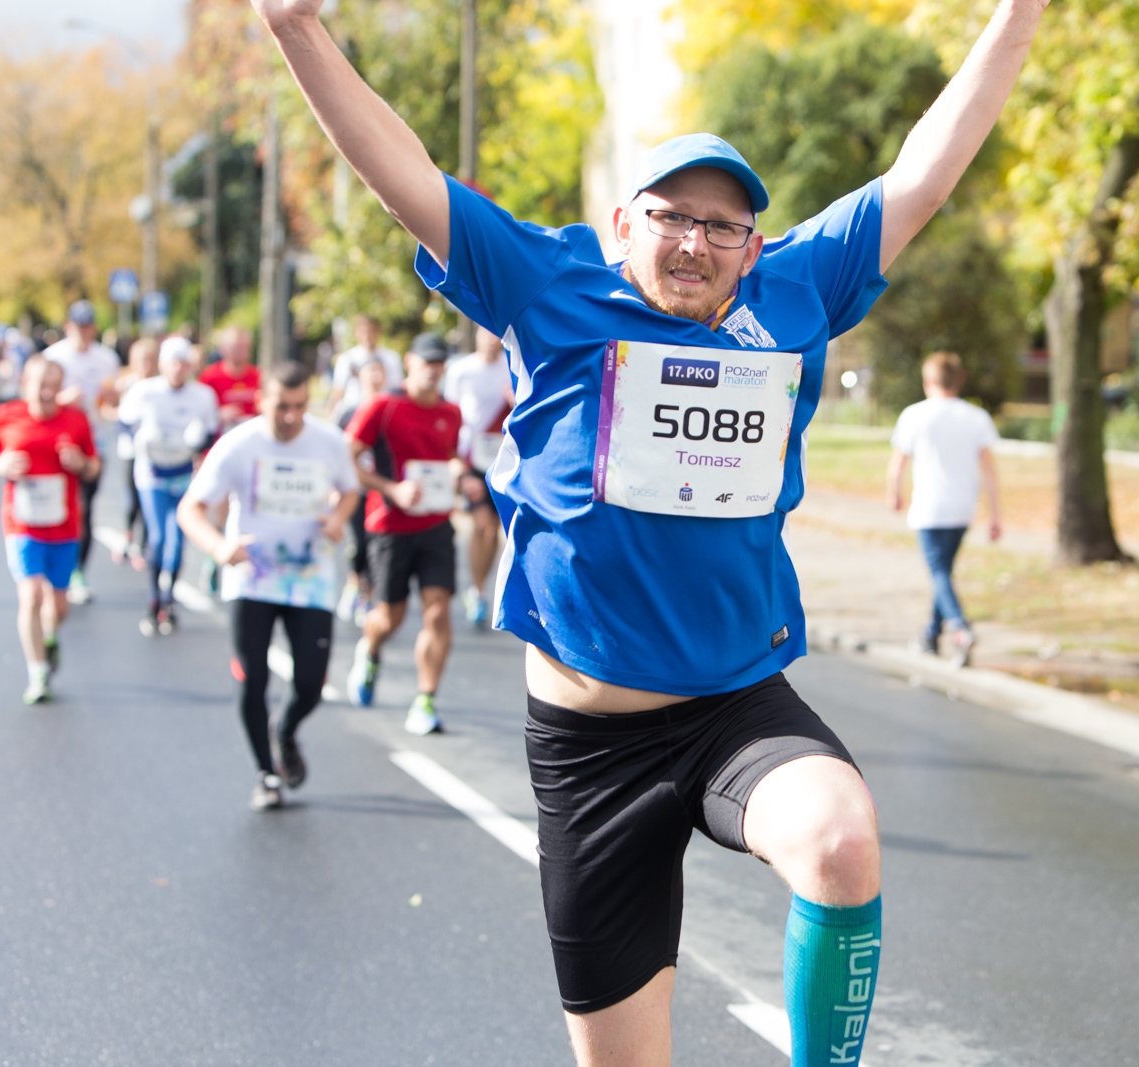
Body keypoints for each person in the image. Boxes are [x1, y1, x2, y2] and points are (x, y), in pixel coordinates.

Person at [254, 0, 1046, 1059]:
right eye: (671, 216)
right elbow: (403, 175)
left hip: (734, 708)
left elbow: (926, 173)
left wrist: (1018, 15)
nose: (695, 242)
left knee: (841, 840)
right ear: (623, 225)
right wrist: (298, 28)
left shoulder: (796, 288)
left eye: (722, 226)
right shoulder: (548, 283)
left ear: (751, 246)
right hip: (589, 746)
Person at [178, 361, 359, 810]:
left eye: (300, 407)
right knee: (252, 679)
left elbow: (350, 490)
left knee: (311, 683)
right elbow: (191, 509)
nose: (292, 417)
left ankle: (287, 730)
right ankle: (266, 772)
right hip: (252, 578)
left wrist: (337, 519)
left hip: (310, 578)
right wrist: (219, 549)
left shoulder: (329, 442)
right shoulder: (238, 445)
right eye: (282, 407)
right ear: (263, 402)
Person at [343, 332, 461, 734]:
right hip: (390, 526)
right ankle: (370, 648)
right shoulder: (384, 406)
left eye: (440, 363)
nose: (434, 370)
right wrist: (392, 489)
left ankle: (425, 699)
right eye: (427, 362)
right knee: (390, 617)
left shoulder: (452, 412)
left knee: (438, 612)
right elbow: (346, 459)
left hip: (436, 523)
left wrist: (461, 479)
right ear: (409, 362)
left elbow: (448, 460)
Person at [0, 357, 99, 704]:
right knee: (31, 595)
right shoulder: (8, 416)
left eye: (52, 385)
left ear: (60, 388)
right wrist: (0, 464)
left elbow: (94, 467)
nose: (45, 392)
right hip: (22, 524)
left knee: (58, 607)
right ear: (24, 382)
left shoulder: (74, 420)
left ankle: (49, 637)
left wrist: (80, 463)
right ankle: (38, 673)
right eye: (38, 383)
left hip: (64, 525)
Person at [886, 352, 1002, 666]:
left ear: (928, 381)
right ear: (959, 379)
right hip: (963, 508)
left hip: (928, 508)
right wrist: (995, 514)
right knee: (943, 573)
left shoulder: (914, 415)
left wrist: (894, 493)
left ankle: (960, 628)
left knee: (938, 573)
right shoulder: (977, 418)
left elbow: (898, 463)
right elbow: (990, 470)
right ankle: (930, 636)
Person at [118, 336, 219, 635]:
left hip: (184, 473)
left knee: (178, 542)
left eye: (182, 363)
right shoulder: (144, 391)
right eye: (171, 362)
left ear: (190, 365)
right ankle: (153, 598)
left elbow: (212, 431)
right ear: (162, 364)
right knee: (159, 537)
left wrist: (198, 444)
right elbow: (124, 422)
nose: (177, 369)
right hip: (152, 472)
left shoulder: (202, 395)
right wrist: (139, 436)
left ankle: (169, 598)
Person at [44, 300, 121, 605]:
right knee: (60, 505)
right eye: (78, 326)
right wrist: (63, 400)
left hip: (94, 439)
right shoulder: (54, 357)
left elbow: (110, 399)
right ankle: (52, 567)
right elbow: (37, 400)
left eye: (89, 326)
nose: (84, 332)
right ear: (68, 327)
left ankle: (78, 572)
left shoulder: (107, 359)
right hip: (60, 439)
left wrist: (110, 399)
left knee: (86, 508)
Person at [442, 325, 513, 625]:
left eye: (496, 334)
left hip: (503, 457)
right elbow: (448, 411)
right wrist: (454, 463)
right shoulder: (462, 369)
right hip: (471, 457)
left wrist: (513, 400)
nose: (492, 339)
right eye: (486, 333)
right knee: (482, 525)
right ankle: (478, 590)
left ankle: (480, 588)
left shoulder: (514, 365)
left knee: (495, 530)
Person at [332, 354, 389, 625]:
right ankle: (354, 583)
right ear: (361, 376)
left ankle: (368, 594)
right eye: (371, 372)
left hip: (382, 488)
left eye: (380, 371)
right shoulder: (347, 411)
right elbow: (333, 451)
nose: (376, 377)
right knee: (357, 543)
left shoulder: (392, 407)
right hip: (354, 488)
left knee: (377, 546)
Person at [108, 338, 162, 571]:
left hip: (154, 454)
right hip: (130, 451)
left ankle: (144, 545)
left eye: (150, 360)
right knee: (131, 498)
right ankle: (127, 534)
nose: (146, 365)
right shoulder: (125, 383)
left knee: (149, 499)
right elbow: (109, 408)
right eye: (141, 360)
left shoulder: (161, 385)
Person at [327, 314, 403, 417]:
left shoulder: (391, 358)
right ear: (356, 333)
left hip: (384, 412)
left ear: (378, 332)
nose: (367, 335)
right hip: (354, 412)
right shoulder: (346, 359)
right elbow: (339, 389)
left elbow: (397, 389)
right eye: (363, 331)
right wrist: (330, 413)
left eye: (371, 331)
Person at [199, 326, 262, 432]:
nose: (240, 351)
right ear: (222, 348)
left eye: (243, 346)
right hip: (219, 437)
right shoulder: (209, 377)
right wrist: (217, 415)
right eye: (235, 347)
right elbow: (198, 412)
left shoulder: (258, 375)